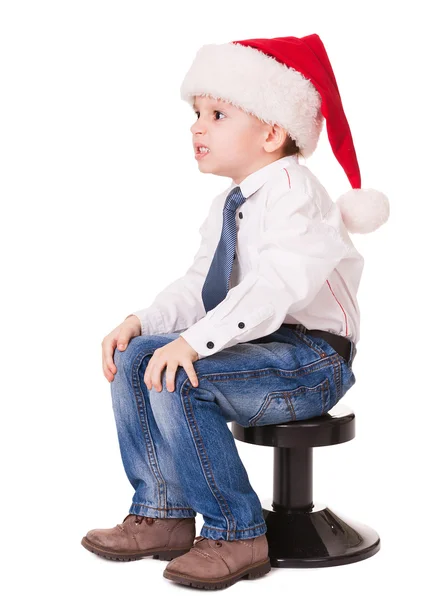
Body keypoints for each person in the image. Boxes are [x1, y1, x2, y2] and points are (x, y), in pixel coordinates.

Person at [81, 34, 389, 590]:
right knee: (137, 358)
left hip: (313, 359)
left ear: (272, 131)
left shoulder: (296, 193)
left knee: (180, 375)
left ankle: (235, 531)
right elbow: (203, 281)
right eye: (196, 113)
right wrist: (145, 322)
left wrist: (193, 343)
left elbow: (273, 289)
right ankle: (163, 512)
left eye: (218, 113)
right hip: (260, 347)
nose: (197, 126)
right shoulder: (234, 201)